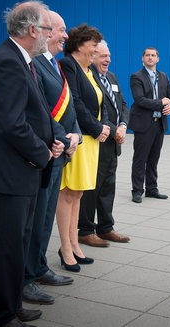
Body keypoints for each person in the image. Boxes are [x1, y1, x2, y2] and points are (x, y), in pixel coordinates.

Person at [0, 0, 64, 327]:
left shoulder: (23, 60)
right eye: (48, 29)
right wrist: (43, 153)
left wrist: (48, 140)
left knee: (18, 244)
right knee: (7, 249)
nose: (51, 35)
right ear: (31, 30)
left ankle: (11, 305)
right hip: (8, 171)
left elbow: (29, 114)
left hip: (19, 169)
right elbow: (12, 123)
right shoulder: (7, 62)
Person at [22, 11, 81, 305]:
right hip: (48, 151)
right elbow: (41, 111)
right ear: (43, 31)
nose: (65, 36)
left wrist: (76, 135)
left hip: (60, 150)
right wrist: (63, 137)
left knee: (45, 218)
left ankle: (39, 267)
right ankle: (28, 276)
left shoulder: (52, 64)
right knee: (37, 220)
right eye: (61, 30)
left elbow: (69, 106)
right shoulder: (34, 65)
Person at [57, 25, 109, 270]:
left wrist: (104, 125)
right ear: (79, 45)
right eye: (93, 45)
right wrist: (98, 128)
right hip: (79, 137)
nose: (96, 49)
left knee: (78, 193)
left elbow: (102, 100)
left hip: (91, 141)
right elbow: (75, 102)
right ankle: (65, 247)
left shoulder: (91, 69)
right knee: (67, 193)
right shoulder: (69, 65)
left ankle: (74, 244)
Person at [79, 41, 130, 246]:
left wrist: (124, 126)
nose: (107, 60)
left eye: (109, 56)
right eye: (102, 56)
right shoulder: (87, 78)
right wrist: (113, 129)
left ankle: (106, 227)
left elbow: (123, 104)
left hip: (113, 141)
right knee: (92, 187)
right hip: (97, 140)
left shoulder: (112, 77)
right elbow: (91, 111)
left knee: (108, 185)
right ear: (92, 56)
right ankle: (85, 229)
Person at [129, 47, 170, 203]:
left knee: (153, 159)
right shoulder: (136, 77)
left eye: (153, 55)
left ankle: (151, 189)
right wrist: (161, 103)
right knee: (140, 159)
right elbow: (140, 100)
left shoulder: (163, 76)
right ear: (142, 58)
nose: (150, 58)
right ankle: (137, 190)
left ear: (158, 59)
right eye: (147, 55)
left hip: (159, 124)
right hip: (144, 124)